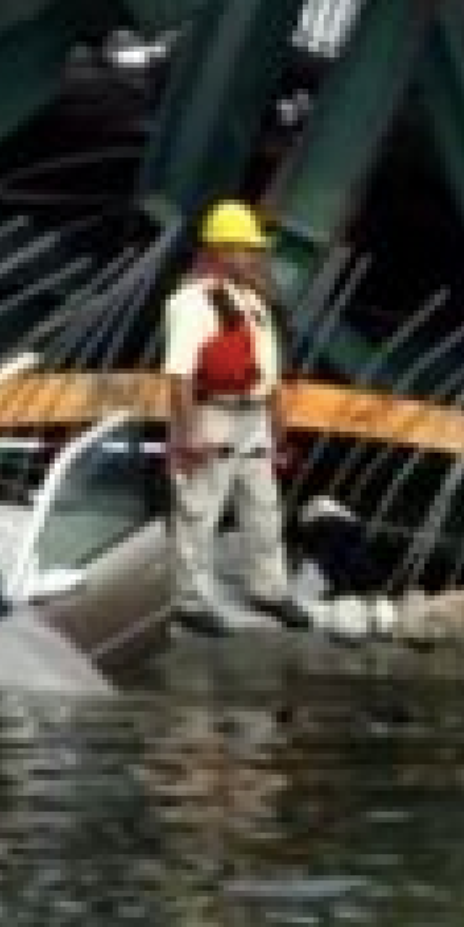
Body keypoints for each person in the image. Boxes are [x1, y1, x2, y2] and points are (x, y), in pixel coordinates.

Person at [162, 199, 305, 632]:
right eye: (245, 249)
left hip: (253, 417)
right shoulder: (191, 303)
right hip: (213, 414)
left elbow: (270, 373)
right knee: (199, 509)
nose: (255, 257)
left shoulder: (251, 302)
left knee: (264, 507)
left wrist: (279, 431)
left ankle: (270, 590)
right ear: (220, 250)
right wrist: (187, 435)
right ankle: (190, 600)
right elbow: (179, 375)